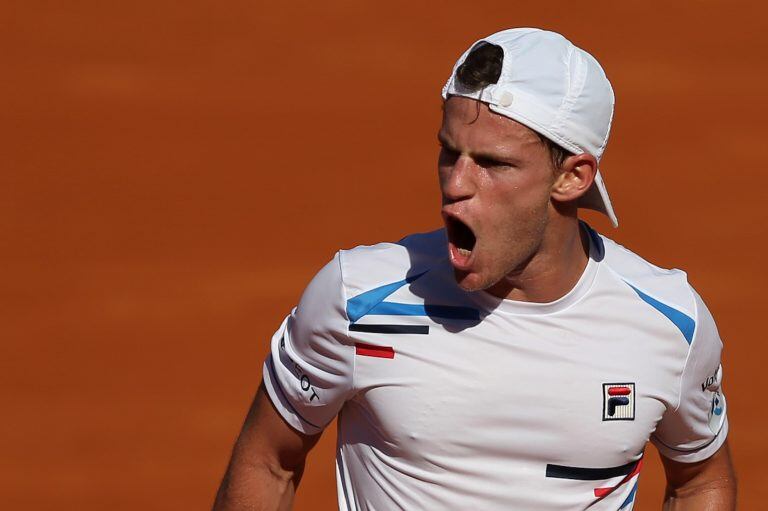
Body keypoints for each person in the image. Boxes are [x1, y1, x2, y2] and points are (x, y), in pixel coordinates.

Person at [213, 28, 736, 510]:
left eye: (492, 163)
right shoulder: (357, 299)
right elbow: (268, 461)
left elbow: (701, 479)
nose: (455, 184)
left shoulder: (669, 326)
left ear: (573, 177)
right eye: (449, 153)